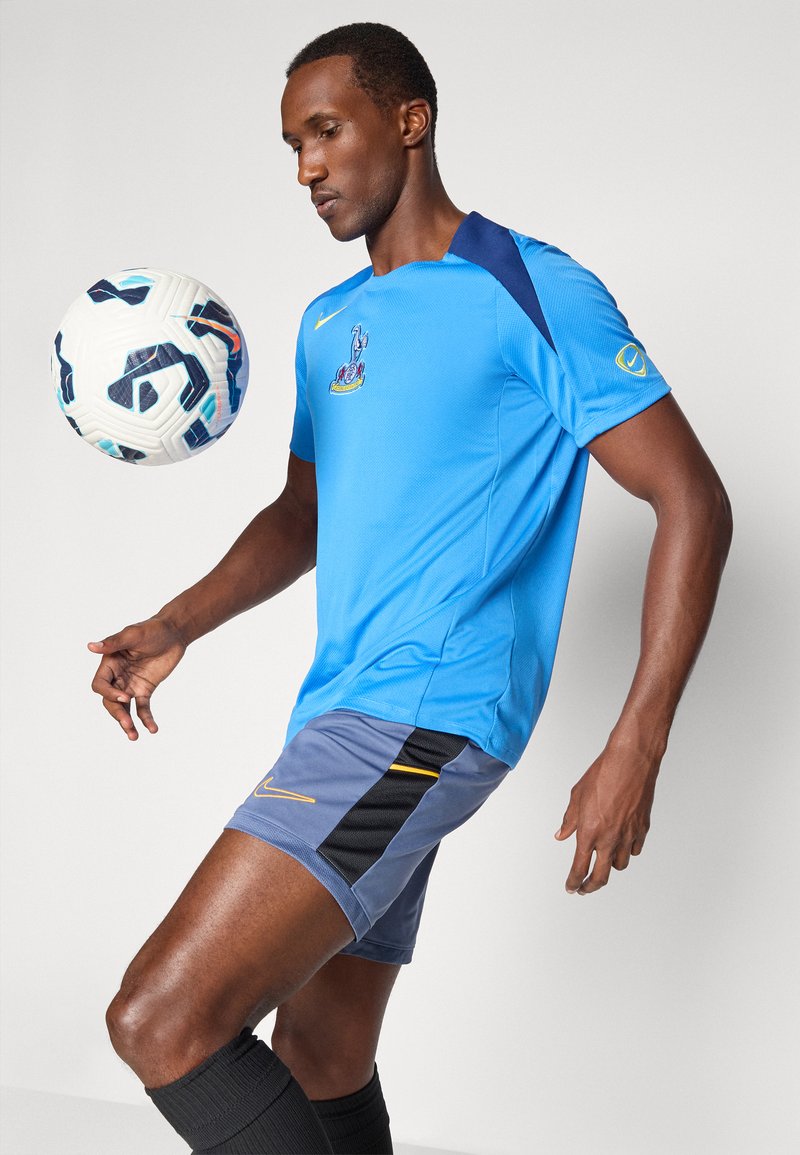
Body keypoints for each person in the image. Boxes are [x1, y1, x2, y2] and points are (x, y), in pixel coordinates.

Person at [91, 22, 733, 1155]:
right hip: (346, 714)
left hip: (423, 718)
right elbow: (303, 515)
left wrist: (637, 739)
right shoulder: (327, 324)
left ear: (409, 120)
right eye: (292, 145)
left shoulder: (525, 286)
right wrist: (174, 623)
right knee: (322, 1053)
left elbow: (691, 497)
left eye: (325, 132)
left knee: (161, 1020)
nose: (306, 168)